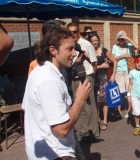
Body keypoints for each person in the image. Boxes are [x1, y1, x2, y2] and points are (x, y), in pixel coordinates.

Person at [22, 27, 91, 159]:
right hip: (56, 154)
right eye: (69, 49)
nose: (74, 54)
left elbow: (27, 109)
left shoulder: (38, 71)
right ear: (53, 50)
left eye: (74, 49)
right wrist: (80, 99)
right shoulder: (49, 80)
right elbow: (62, 129)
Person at [67, 22, 99, 142]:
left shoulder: (86, 44)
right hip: (74, 78)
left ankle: (93, 132)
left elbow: (94, 63)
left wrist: (92, 79)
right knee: (79, 105)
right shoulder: (69, 44)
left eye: (75, 31)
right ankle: (84, 130)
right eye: (70, 32)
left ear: (78, 31)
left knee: (89, 106)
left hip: (86, 77)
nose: (72, 34)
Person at [88, 33, 117, 130]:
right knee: (96, 100)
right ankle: (97, 118)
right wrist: (101, 66)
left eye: (96, 40)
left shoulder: (103, 50)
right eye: (92, 41)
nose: (95, 42)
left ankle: (105, 120)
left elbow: (114, 61)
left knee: (104, 100)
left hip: (103, 77)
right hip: (93, 77)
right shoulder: (88, 51)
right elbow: (88, 67)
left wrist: (113, 74)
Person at [112, 30, 139, 118]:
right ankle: (119, 110)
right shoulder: (115, 47)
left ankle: (129, 110)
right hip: (119, 72)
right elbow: (113, 59)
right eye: (120, 39)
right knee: (119, 92)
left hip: (129, 71)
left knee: (129, 91)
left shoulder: (129, 46)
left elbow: (137, 47)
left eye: (123, 39)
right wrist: (122, 56)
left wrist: (128, 38)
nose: (121, 41)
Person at [128, 55, 140, 136]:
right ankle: (137, 126)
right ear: (134, 63)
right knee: (136, 112)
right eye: (137, 62)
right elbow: (130, 84)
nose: (139, 64)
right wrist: (128, 95)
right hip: (134, 95)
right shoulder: (132, 72)